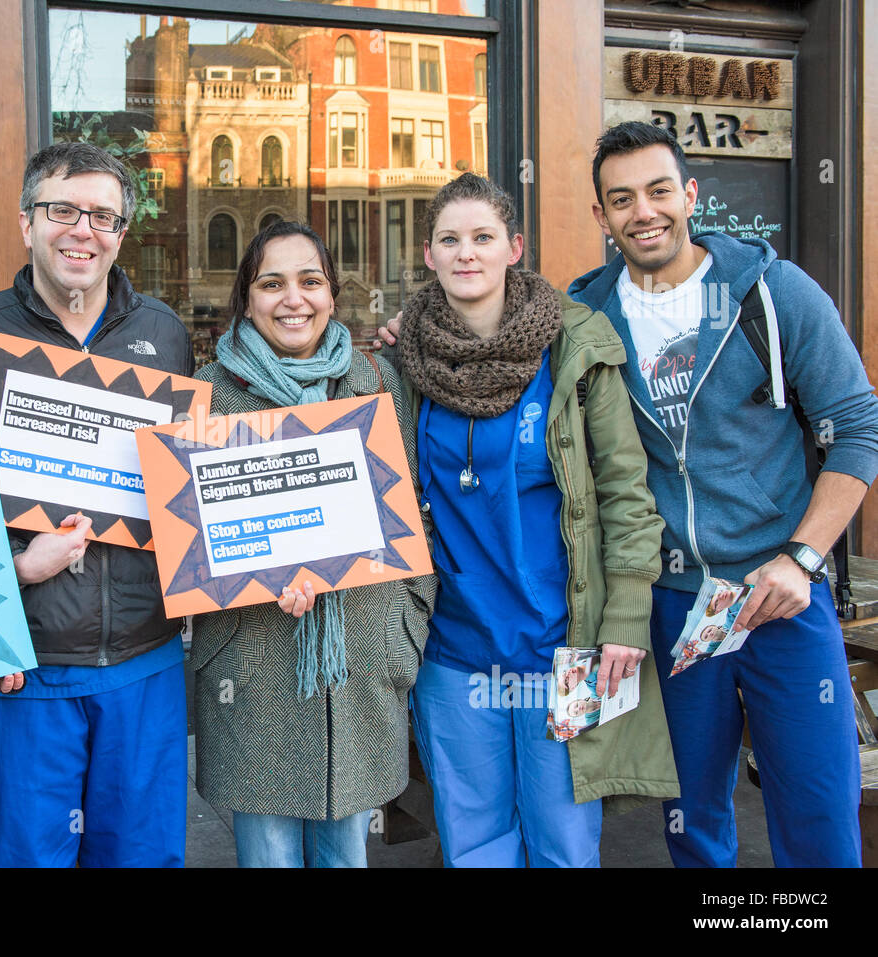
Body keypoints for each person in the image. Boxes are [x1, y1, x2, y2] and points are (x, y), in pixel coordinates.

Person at [567, 121, 878, 867]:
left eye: (658, 190)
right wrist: (400, 338)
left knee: (817, 811)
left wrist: (802, 559)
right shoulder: (586, 315)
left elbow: (858, 428)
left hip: (781, 593)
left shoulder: (770, 292)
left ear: (690, 195)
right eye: (621, 199)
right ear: (602, 216)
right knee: (692, 820)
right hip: (673, 604)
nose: (643, 211)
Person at [382, 173, 677, 867]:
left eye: (483, 237)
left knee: (563, 839)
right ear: (428, 253)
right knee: (474, 839)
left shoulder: (576, 345)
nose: (467, 253)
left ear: (514, 247)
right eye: (450, 239)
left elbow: (628, 493)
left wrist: (627, 619)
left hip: (563, 644)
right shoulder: (404, 361)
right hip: (452, 648)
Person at [0, 142, 193, 868]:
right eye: (63, 210)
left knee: (143, 857)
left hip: (145, 661)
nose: (82, 229)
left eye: (103, 216)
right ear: (27, 223)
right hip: (28, 667)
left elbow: (188, 486)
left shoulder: (164, 333)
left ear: (121, 234)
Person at [190, 219, 435, 868]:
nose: (293, 298)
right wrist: (260, 568)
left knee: (345, 857)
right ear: (247, 298)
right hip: (254, 665)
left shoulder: (379, 382)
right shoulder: (204, 394)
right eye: (272, 283)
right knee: (268, 856)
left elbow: (416, 509)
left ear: (332, 295)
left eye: (311, 280)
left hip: (357, 660)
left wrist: (404, 628)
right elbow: (188, 539)